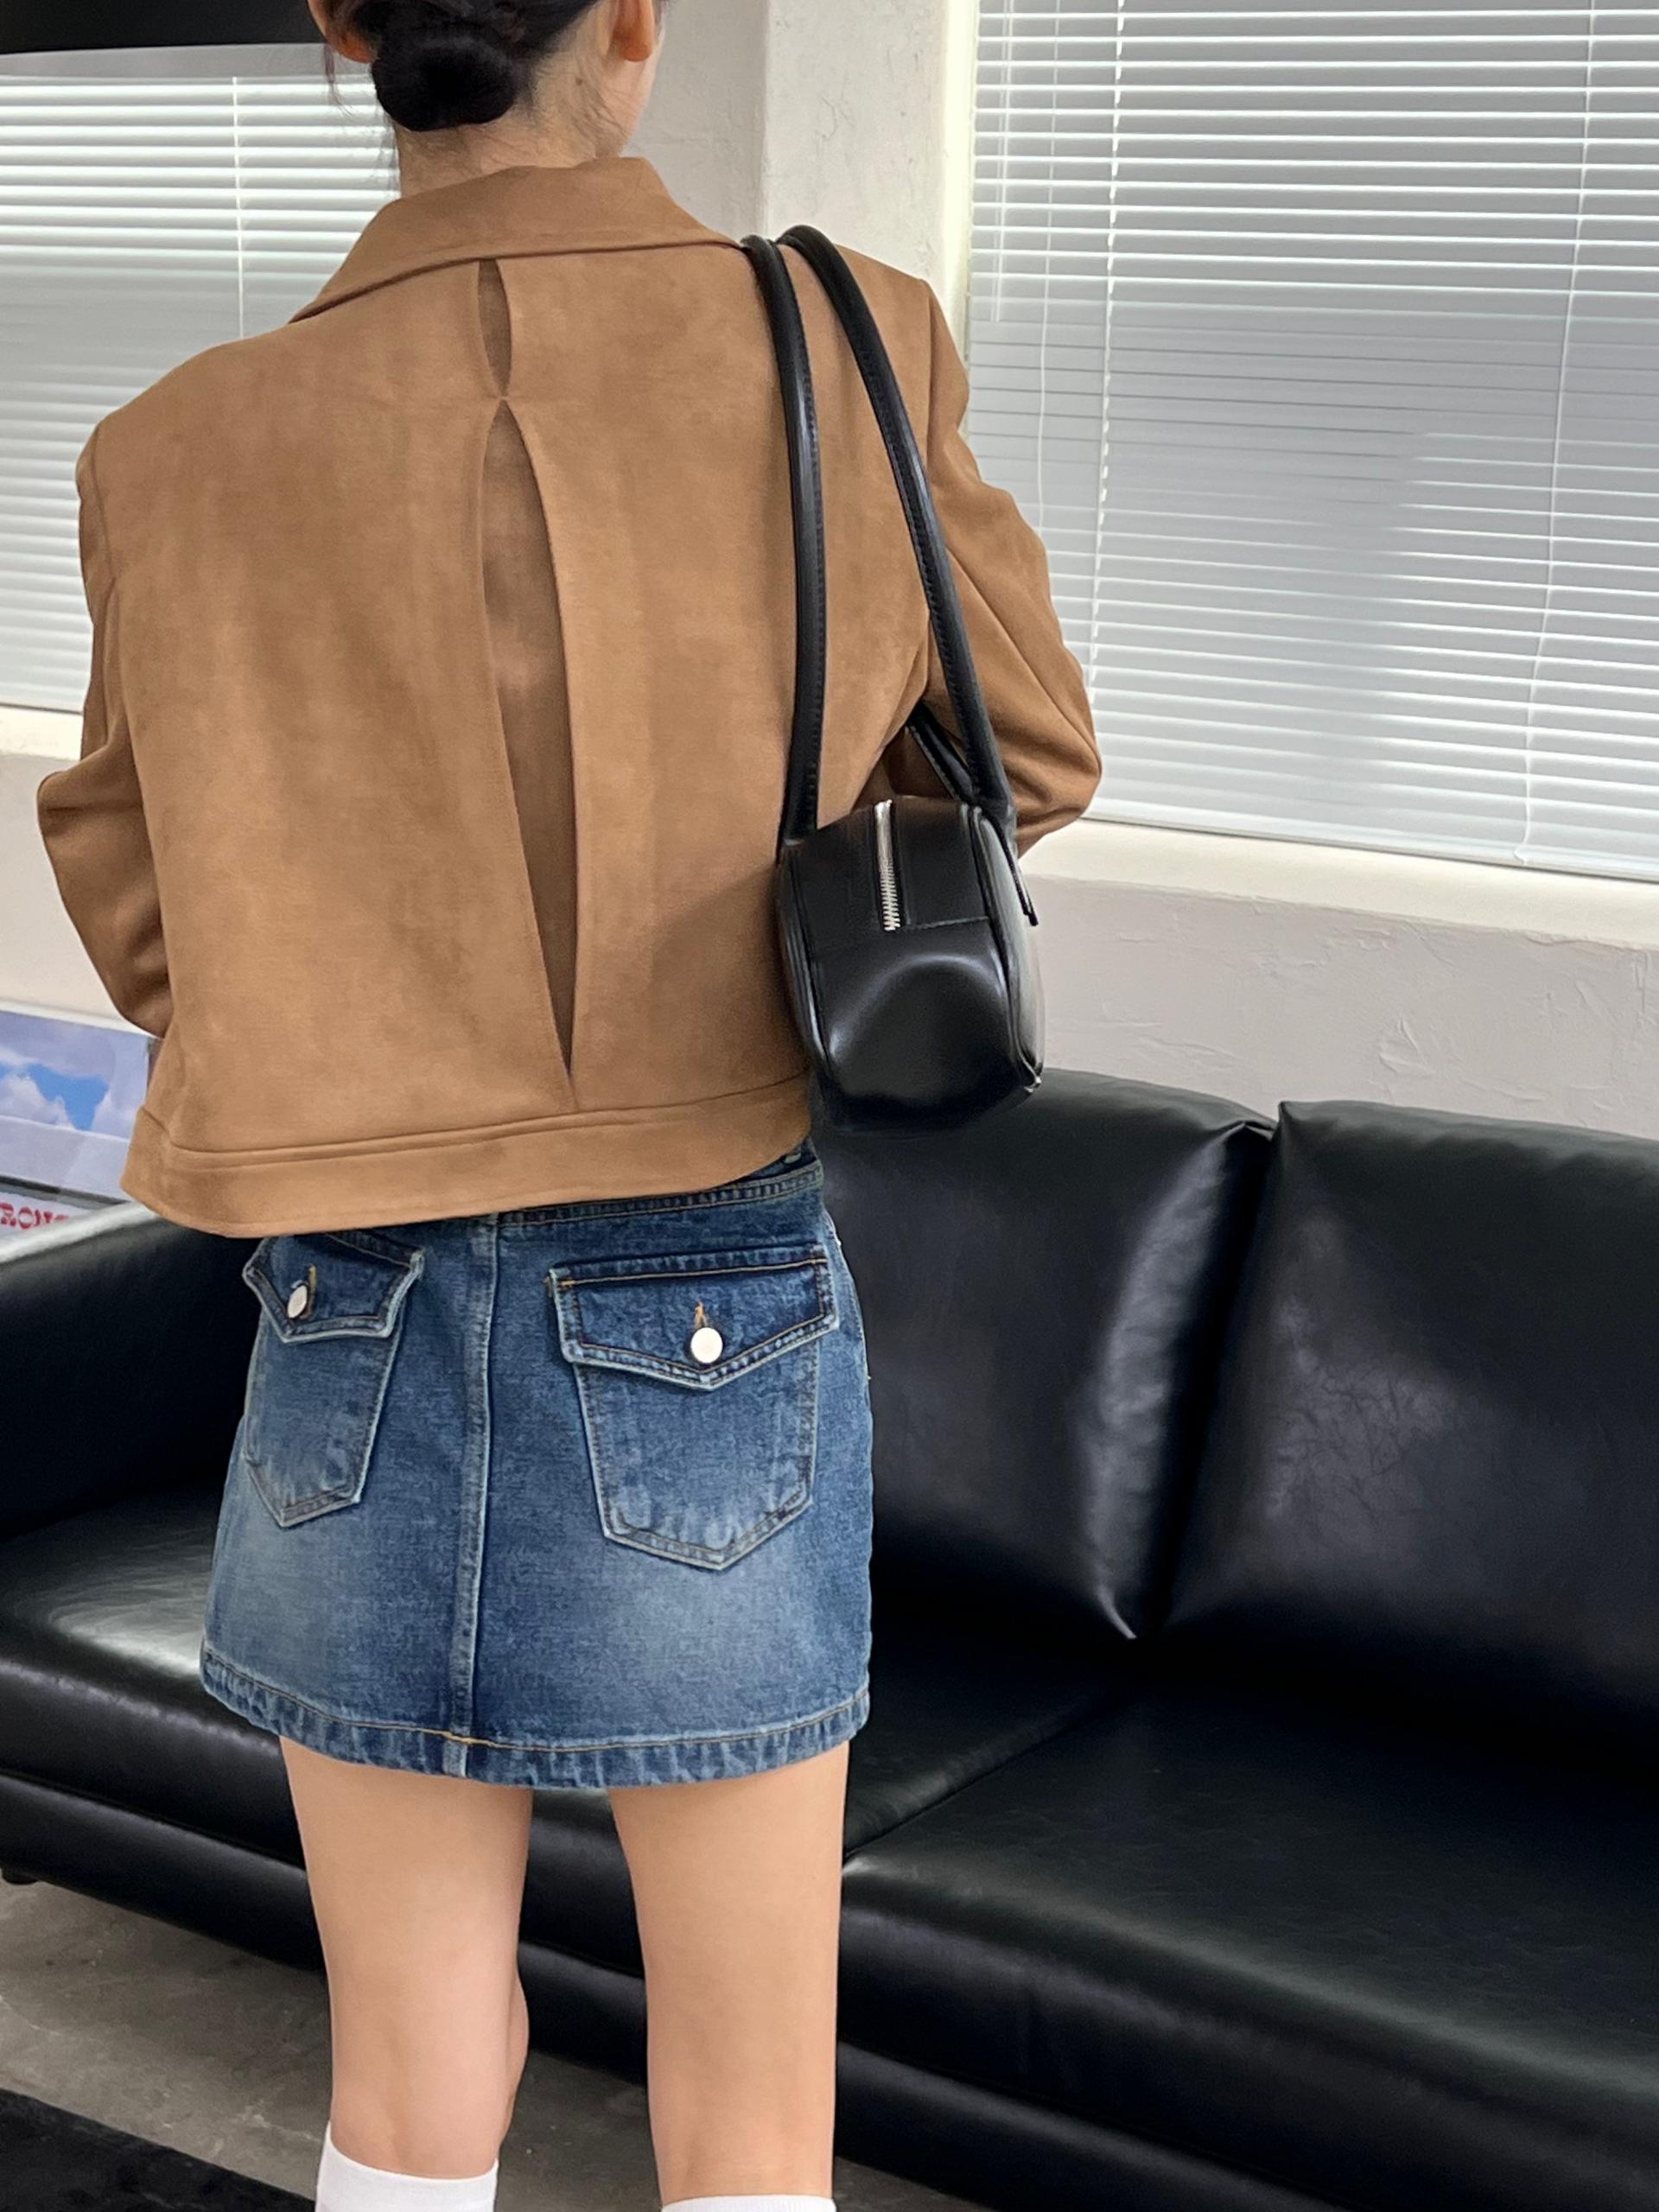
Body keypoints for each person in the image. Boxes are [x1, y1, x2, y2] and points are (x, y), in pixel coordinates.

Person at [35, 3, 1101, 2209]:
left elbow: (146, 914)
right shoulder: (848, 347)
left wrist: (367, 1008)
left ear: (344, 31)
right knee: (751, 2117)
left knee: (407, 2086)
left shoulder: (171, 447)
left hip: (344, 1312)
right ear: (627, 22)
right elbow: (1031, 758)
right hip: (710, 1295)